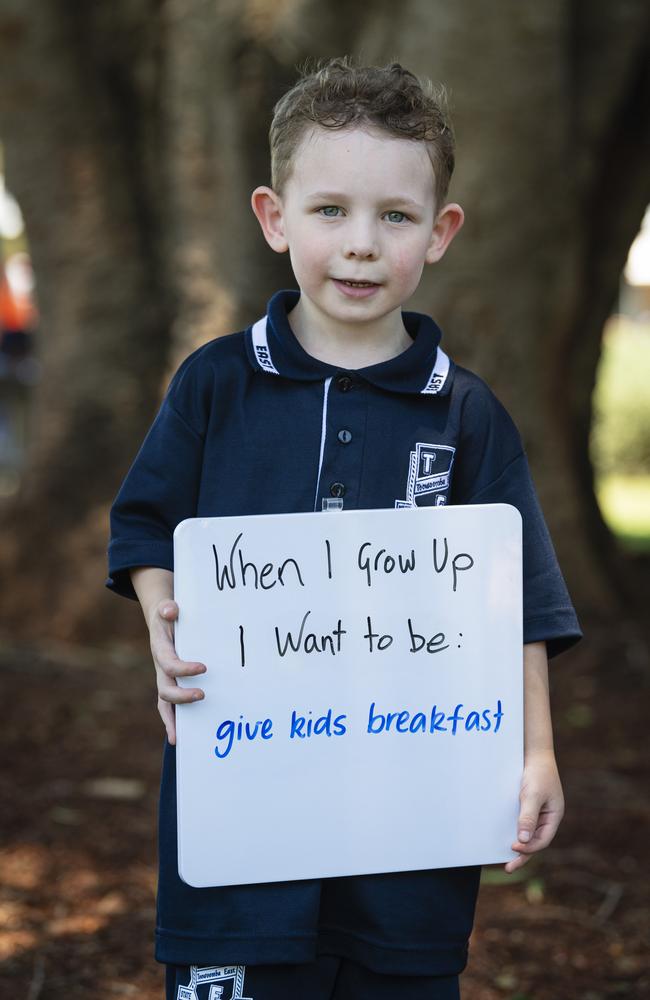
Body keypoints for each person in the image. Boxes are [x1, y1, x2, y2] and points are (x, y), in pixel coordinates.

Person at [107, 57, 582, 1000]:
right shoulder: (215, 383)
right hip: (240, 831)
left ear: (440, 233)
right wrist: (164, 625)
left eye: (394, 217)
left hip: (412, 837)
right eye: (330, 210)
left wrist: (535, 752)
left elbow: (515, 601)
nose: (361, 245)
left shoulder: (468, 416)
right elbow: (147, 526)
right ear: (273, 218)